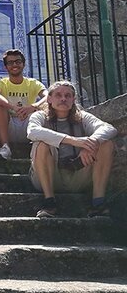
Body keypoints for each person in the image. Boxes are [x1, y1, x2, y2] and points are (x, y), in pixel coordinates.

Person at [27, 80, 117, 218]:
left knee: (106, 144)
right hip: (49, 175)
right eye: (58, 95)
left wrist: (90, 143)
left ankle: (98, 203)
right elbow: (32, 131)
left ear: (73, 100)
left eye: (68, 95)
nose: (63, 99)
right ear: (49, 99)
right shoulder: (40, 116)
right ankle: (49, 202)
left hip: (77, 174)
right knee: (41, 145)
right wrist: (75, 141)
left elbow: (109, 128)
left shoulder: (82, 117)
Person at [0, 49, 47, 161]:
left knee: (43, 110)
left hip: (28, 125)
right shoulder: (1, 83)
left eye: (18, 61)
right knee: (0, 106)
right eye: (10, 63)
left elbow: (48, 96)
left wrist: (33, 106)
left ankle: (39, 147)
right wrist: (12, 107)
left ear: (23, 64)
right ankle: (5, 147)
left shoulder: (33, 83)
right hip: (7, 127)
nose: (14, 65)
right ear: (5, 67)